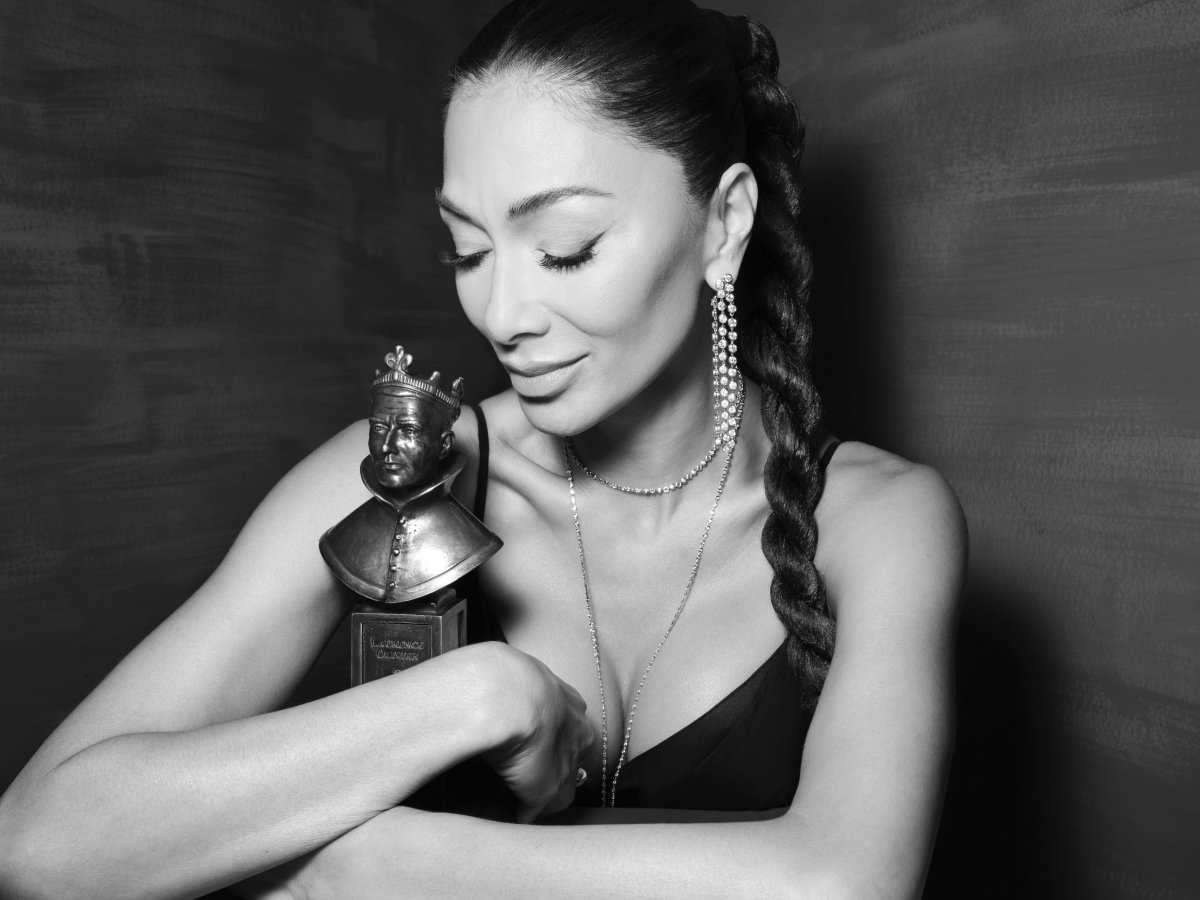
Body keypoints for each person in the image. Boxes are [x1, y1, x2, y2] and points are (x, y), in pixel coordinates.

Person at [0, 1, 966, 898]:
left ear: (725, 223)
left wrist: (387, 865)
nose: (501, 316)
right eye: (467, 251)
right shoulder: (406, 462)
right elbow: (37, 843)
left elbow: (847, 881)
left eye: (566, 248)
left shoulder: (878, 518)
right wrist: (469, 699)